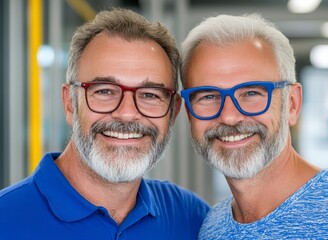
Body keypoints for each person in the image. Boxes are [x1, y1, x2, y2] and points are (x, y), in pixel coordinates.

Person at [0, 8, 209, 239]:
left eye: (150, 95)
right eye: (105, 91)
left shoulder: (191, 218)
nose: (127, 113)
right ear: (70, 103)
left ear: (173, 111)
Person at [180, 13, 328, 239]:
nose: (229, 117)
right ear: (189, 113)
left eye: (252, 93)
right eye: (208, 96)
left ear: (292, 104)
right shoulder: (211, 227)